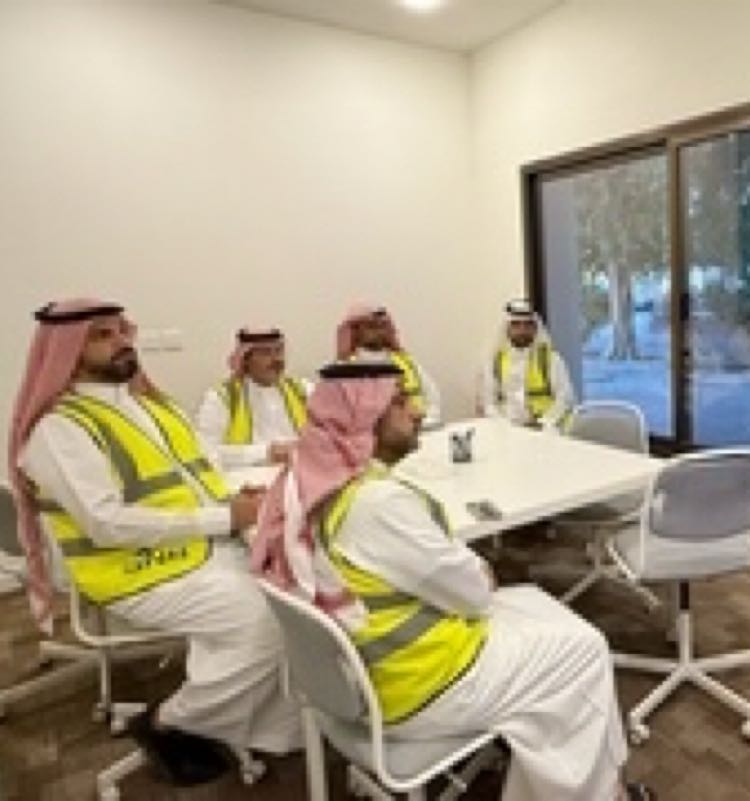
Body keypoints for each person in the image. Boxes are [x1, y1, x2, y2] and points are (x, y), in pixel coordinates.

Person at [252, 361, 653, 801]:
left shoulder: (308, 483)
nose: (418, 411)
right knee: (586, 648)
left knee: (530, 602)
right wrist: (477, 569)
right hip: (419, 684)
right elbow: (476, 593)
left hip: (359, 674)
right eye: (400, 402)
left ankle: (565, 779)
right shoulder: (378, 503)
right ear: (365, 420)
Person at [9, 299, 300, 785]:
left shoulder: (150, 407)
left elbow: (199, 470)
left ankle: (262, 726)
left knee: (295, 595)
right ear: (66, 350)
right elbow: (107, 523)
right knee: (265, 622)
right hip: (134, 572)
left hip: (198, 549)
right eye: (102, 335)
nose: (122, 341)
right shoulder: (59, 431)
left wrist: (234, 499)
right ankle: (171, 722)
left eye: (122, 331)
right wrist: (225, 516)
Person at [195, 326, 309, 469]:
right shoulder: (222, 397)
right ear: (245, 359)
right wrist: (265, 453)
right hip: (245, 478)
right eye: (265, 353)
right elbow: (205, 451)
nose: (276, 359)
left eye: (279, 351)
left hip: (301, 474)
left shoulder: (302, 389)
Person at [336, 303, 443, 428]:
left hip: (420, 430)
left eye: (382, 326)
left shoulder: (405, 362)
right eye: (371, 326)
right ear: (355, 331)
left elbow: (432, 397)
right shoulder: (344, 368)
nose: (378, 331)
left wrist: (423, 422)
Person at [480, 299, 575, 430]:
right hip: (508, 429)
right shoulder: (495, 362)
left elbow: (565, 398)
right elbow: (489, 403)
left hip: (546, 428)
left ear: (535, 328)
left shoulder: (551, 359)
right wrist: (503, 425)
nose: (522, 330)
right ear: (507, 328)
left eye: (528, 325)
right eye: (516, 325)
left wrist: (545, 423)